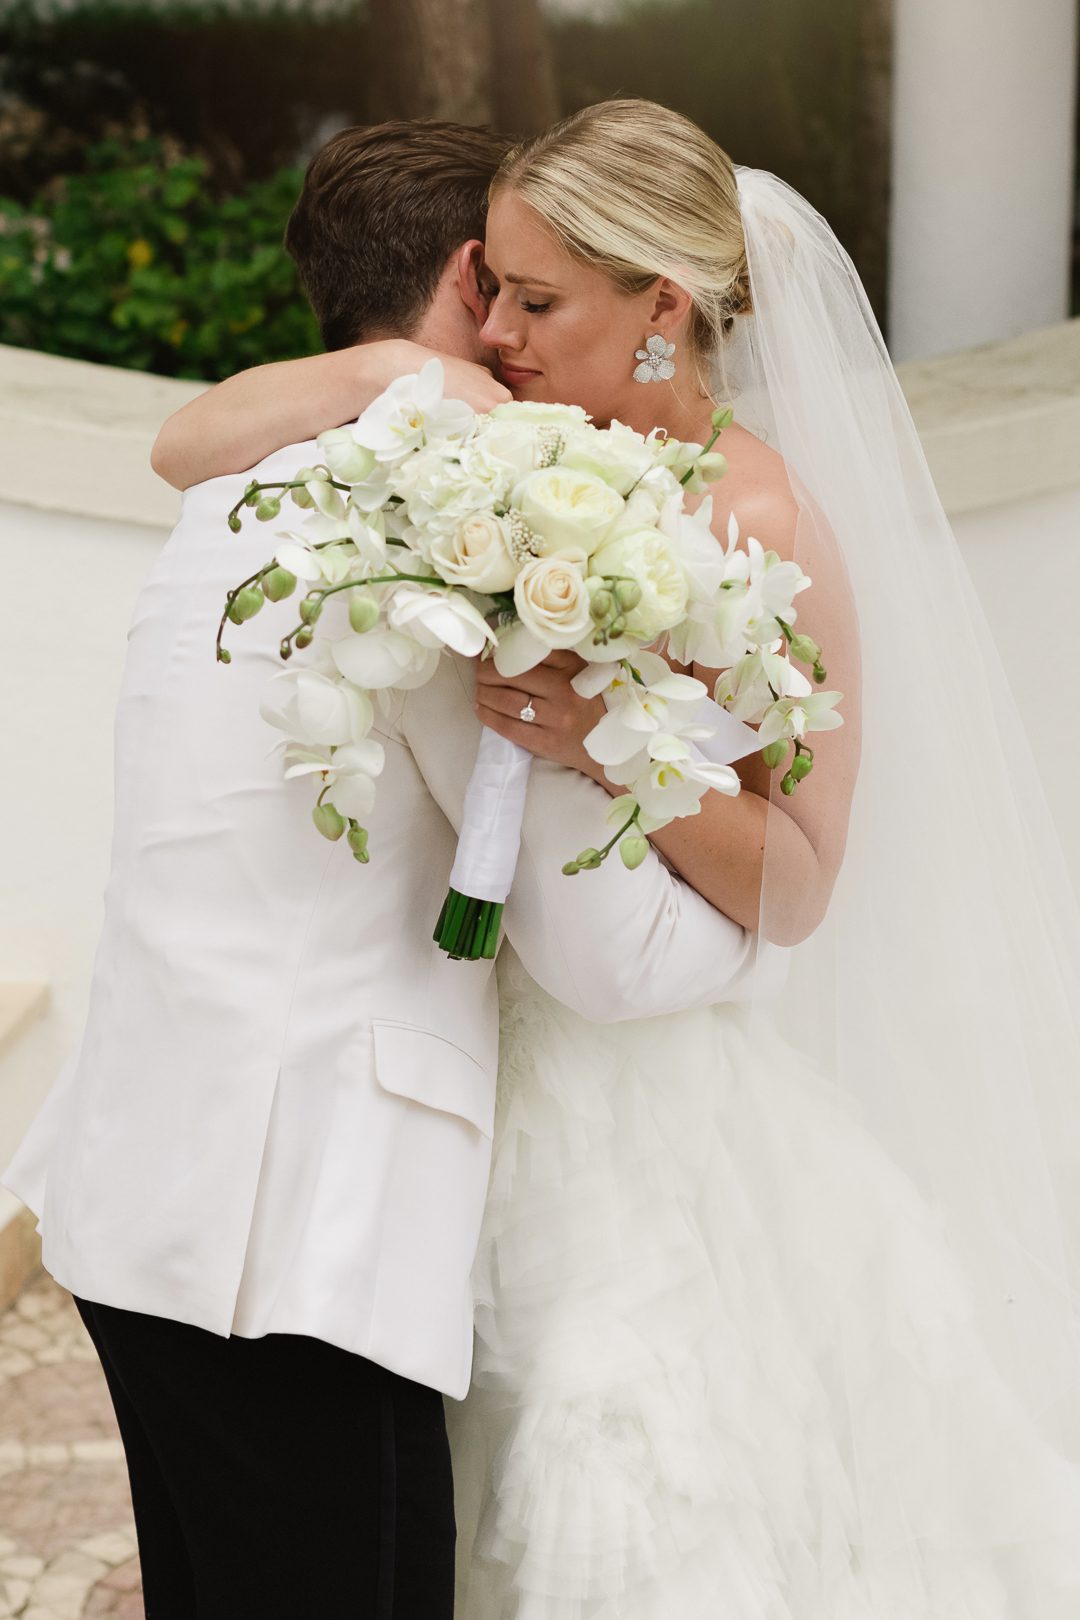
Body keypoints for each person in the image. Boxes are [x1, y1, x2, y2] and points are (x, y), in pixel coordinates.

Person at [153, 98, 1080, 1618]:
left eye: (536, 299)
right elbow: (185, 444)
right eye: (492, 288)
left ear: (662, 308)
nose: (497, 329)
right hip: (458, 1088)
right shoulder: (494, 461)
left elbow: (799, 880)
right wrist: (394, 367)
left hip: (643, 1136)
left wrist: (606, 746)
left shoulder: (764, 514)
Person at [0, 118, 782, 1620]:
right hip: (286, 1242)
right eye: (518, 294)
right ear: (473, 276)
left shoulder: (246, 490)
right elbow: (603, 956)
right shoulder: (426, 530)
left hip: (145, 1194)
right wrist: (776, 929)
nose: (515, 339)